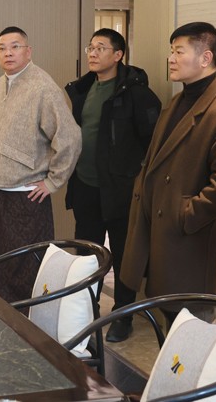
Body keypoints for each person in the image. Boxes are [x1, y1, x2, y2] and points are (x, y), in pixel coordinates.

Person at [120, 22, 216, 325]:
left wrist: (187, 213)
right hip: (162, 232)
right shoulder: (179, 100)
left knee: (191, 324)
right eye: (171, 51)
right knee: (169, 317)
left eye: (179, 51)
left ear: (205, 58)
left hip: (188, 240)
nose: (171, 59)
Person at [65, 28, 160, 342]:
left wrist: (136, 178)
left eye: (101, 48)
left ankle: (123, 314)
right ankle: (85, 309)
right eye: (91, 48)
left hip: (121, 189)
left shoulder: (136, 94)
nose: (93, 53)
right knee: (86, 253)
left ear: (118, 55)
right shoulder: (82, 89)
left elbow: (154, 144)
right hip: (85, 185)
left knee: (123, 254)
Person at [0, 26, 81, 303]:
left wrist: (52, 181)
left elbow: (70, 138)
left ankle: (26, 323)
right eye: (2, 48)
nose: (8, 53)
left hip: (24, 196)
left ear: (28, 51)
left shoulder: (42, 86)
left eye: (15, 46)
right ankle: (2, 317)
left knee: (25, 267)